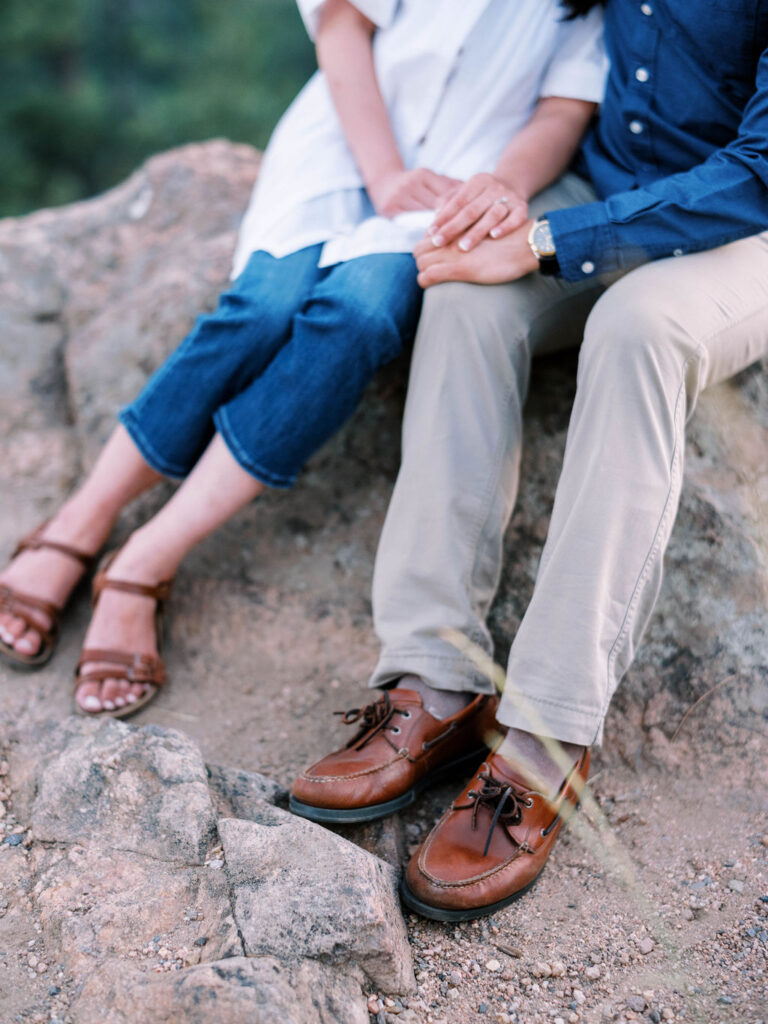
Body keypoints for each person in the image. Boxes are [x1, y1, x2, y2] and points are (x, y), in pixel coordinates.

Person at [290, 0, 768, 920]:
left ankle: (551, 730)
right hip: (605, 185)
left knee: (637, 331)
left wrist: (547, 241)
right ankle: (435, 674)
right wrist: (505, 199)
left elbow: (759, 175)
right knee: (465, 298)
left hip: (744, 224)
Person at [0, 0, 606, 717]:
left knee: (358, 315)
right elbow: (343, 27)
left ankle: (143, 562)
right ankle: (80, 521)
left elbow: (563, 111)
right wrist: (382, 175)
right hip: (347, 144)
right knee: (261, 310)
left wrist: (501, 187)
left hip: (459, 183)